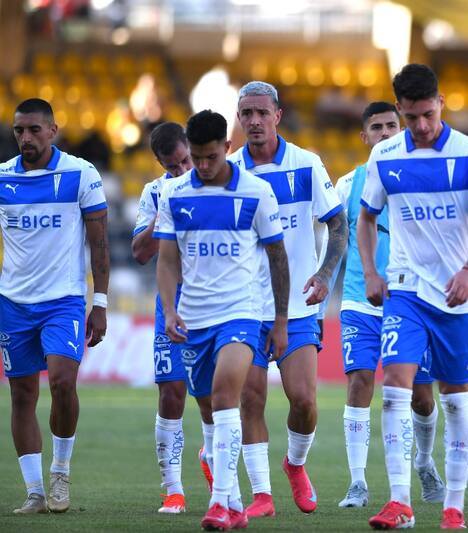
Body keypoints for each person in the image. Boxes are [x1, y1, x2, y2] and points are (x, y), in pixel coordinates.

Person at [358, 64, 468, 530]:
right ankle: (399, 501)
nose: (421, 125)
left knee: (456, 400)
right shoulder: (384, 155)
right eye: (412, 116)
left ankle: (453, 507)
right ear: (399, 109)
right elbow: (365, 217)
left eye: (428, 113)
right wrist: (371, 272)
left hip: (459, 299)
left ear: (441, 102)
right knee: (395, 386)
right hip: (406, 289)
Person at [154, 110, 289, 530]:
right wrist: (170, 310)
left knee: (226, 395)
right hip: (194, 319)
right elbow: (167, 260)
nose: (204, 165)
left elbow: (278, 257)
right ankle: (232, 504)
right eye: (197, 157)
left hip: (242, 313)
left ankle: (217, 503)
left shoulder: (257, 191)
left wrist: (280, 319)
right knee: (209, 409)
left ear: (227, 148)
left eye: (211, 156)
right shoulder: (174, 193)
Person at [228, 81, 347, 518]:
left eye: (262, 112)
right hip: (243, 306)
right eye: (246, 114)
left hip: (297, 305)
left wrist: (325, 272)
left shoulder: (306, 165)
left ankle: (295, 464)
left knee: (304, 401)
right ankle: (262, 495)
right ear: (238, 119)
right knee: (251, 399)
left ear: (278, 115)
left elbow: (338, 224)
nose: (254, 121)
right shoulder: (228, 171)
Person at [332, 101, 446, 509]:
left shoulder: (420, 180)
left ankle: (425, 461)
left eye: (391, 126)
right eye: (376, 127)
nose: (385, 133)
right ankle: (358, 482)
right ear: (364, 136)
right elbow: (334, 238)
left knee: (421, 396)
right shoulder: (347, 185)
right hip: (360, 301)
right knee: (360, 382)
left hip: (414, 301)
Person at [1, 98, 109, 514]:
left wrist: (99, 302)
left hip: (63, 301)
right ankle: (34, 491)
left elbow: (99, 243)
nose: (25, 138)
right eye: (18, 131)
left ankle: (60, 471)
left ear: (53, 131)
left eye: (33, 130)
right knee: (22, 393)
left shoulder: (80, 173)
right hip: (12, 303)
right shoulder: (3, 178)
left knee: (63, 382)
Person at [132, 121, 213, 513]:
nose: (182, 171)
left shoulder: (220, 180)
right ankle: (173, 489)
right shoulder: (154, 192)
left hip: (215, 300)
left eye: (186, 161)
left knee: (214, 396)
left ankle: (213, 460)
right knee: (171, 392)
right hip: (173, 301)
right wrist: (165, 208)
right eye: (172, 166)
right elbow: (140, 252)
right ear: (160, 164)